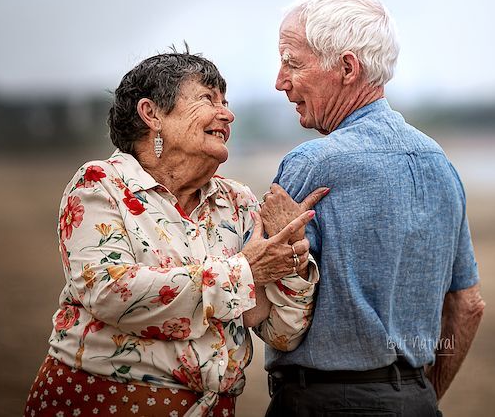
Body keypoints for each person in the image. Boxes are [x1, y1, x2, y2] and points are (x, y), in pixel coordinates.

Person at [25, 51, 326, 417]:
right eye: (208, 99)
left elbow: (281, 334)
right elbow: (110, 291)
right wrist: (245, 272)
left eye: (226, 102)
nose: (227, 114)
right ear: (152, 115)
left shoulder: (238, 203)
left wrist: (292, 254)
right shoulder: (101, 185)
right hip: (101, 403)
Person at [261, 0, 485, 417]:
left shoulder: (312, 163)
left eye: (292, 63)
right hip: (417, 400)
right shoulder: (440, 163)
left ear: (347, 67)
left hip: (323, 403)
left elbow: (268, 311)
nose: (279, 81)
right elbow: (469, 305)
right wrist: (417, 399)